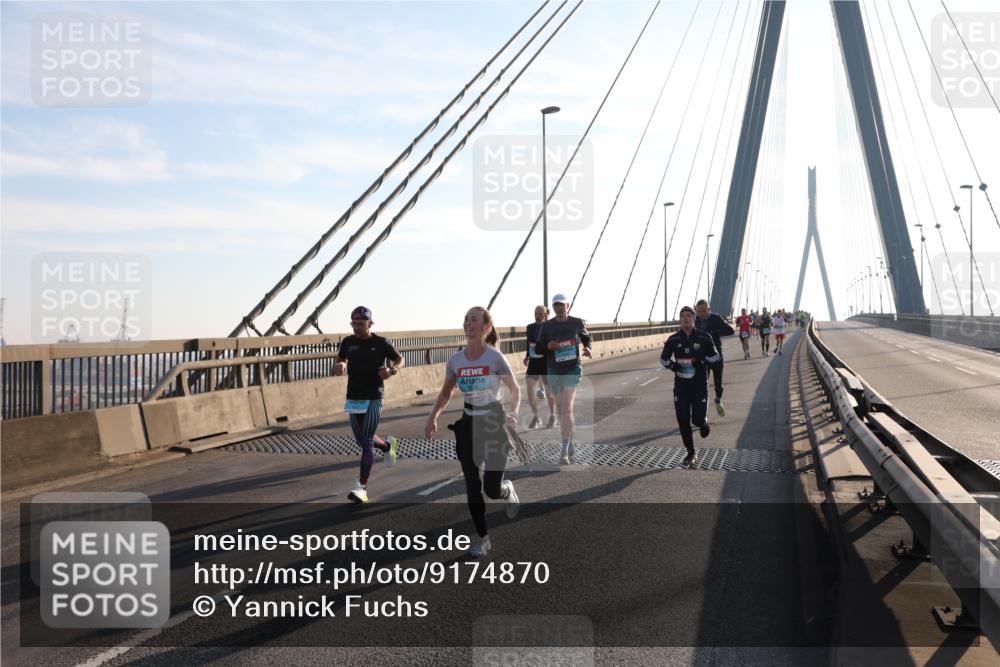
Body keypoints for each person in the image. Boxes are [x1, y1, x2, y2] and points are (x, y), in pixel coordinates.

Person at [425, 306, 521, 558]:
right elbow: (447, 392)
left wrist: (513, 413)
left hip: (493, 423)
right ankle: (483, 538)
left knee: (491, 488)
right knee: (471, 484)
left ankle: (506, 490)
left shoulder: (495, 357)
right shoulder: (456, 360)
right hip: (468, 424)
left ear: (486, 327)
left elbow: (515, 389)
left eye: (474, 319)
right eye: (466, 319)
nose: (468, 323)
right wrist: (433, 417)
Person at [333, 306, 403, 504]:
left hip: (374, 396)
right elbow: (342, 356)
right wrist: (342, 364)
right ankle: (388, 445)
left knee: (365, 441)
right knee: (362, 439)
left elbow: (399, 359)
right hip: (354, 396)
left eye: (361, 324)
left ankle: (361, 488)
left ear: (370, 324)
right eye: (353, 324)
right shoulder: (348, 342)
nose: (356, 328)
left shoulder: (380, 343)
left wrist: (392, 371)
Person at [534, 293, 592, 465]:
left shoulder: (577, 322)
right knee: (561, 409)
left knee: (567, 407)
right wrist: (547, 346)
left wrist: (587, 348)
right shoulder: (547, 326)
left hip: (572, 369)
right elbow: (538, 348)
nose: (559, 308)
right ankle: (570, 437)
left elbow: (586, 337)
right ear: (553, 308)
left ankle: (564, 451)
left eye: (562, 305)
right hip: (554, 371)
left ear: (568, 306)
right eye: (556, 306)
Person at [660, 305, 720, 466]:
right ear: (680, 320)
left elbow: (716, 357)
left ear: (694, 319)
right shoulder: (673, 339)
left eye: (688, 315)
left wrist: (703, 360)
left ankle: (703, 423)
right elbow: (663, 359)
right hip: (681, 385)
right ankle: (690, 452)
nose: (685, 318)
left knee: (697, 419)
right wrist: (673, 366)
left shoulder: (704, 336)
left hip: (699, 384)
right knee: (682, 418)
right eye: (682, 316)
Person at [694, 299, 734, 417]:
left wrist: (715, 331)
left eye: (704, 311)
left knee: (718, 384)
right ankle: (703, 412)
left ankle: (718, 399)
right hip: (702, 358)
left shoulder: (716, 318)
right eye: (699, 311)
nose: (701, 314)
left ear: (709, 309)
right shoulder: (695, 320)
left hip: (717, 356)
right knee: (702, 385)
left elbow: (730, 331)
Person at [523, 305, 557, 429]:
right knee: (530, 388)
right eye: (536, 313)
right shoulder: (530, 327)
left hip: (546, 362)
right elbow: (529, 343)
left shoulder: (551, 327)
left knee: (549, 393)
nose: (537, 316)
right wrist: (527, 356)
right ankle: (536, 417)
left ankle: (552, 416)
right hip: (534, 362)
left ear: (546, 315)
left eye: (540, 313)